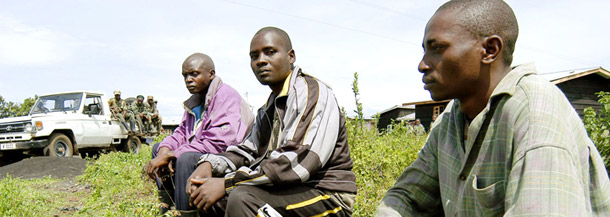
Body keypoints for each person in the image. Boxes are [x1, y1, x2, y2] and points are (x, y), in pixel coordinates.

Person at [376, 0, 610, 216]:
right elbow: (405, 197)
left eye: (437, 48)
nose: (423, 65)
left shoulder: (534, 110)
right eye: (425, 51)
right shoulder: (450, 119)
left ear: (490, 50)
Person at [186, 27, 357, 216]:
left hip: (326, 194)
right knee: (210, 197)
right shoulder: (269, 107)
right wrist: (209, 164)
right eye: (254, 56)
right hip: (288, 189)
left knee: (242, 198)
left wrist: (226, 184)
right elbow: (247, 151)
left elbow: (294, 163)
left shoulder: (311, 93)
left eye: (270, 52)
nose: (261, 61)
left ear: (291, 57)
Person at [144, 53, 254, 215]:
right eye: (185, 76)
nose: (188, 79)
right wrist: (165, 150)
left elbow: (220, 143)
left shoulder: (226, 96)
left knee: (186, 157)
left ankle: (186, 213)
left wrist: (172, 155)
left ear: (211, 74)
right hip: (206, 149)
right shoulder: (195, 101)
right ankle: (167, 204)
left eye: (194, 74)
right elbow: (181, 132)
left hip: (230, 156)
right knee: (158, 147)